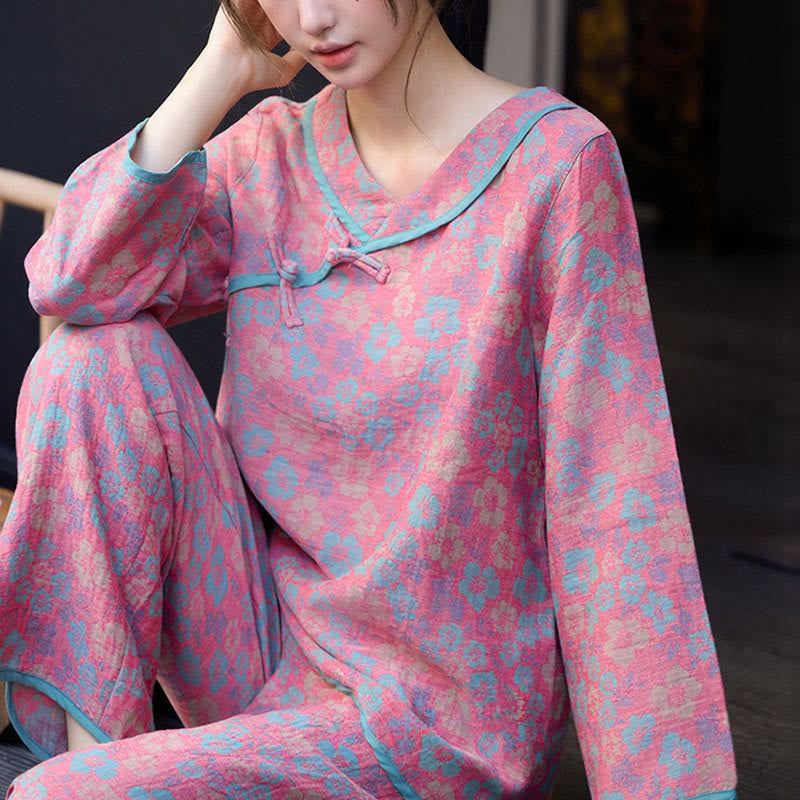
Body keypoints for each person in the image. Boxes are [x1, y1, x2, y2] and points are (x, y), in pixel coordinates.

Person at [0, 0, 738, 797]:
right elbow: (72, 281)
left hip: (430, 724)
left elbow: (613, 497)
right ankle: (97, 762)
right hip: (264, 658)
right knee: (89, 359)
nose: (313, 17)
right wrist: (221, 68)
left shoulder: (556, 169)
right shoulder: (273, 155)